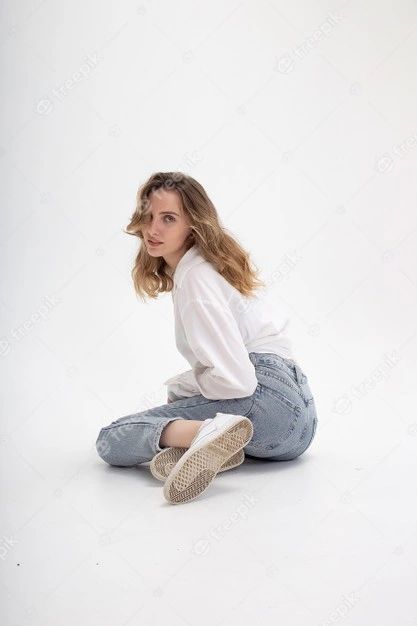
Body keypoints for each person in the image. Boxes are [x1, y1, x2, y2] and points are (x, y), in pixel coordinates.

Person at [95, 171, 318, 504]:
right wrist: (182, 394)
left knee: (112, 438)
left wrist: (184, 393)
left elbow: (238, 383)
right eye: (149, 217)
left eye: (168, 219)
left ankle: (206, 436)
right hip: (298, 426)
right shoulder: (203, 269)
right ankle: (206, 444)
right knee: (178, 401)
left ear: (193, 225)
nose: (153, 230)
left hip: (268, 404)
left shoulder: (196, 278)